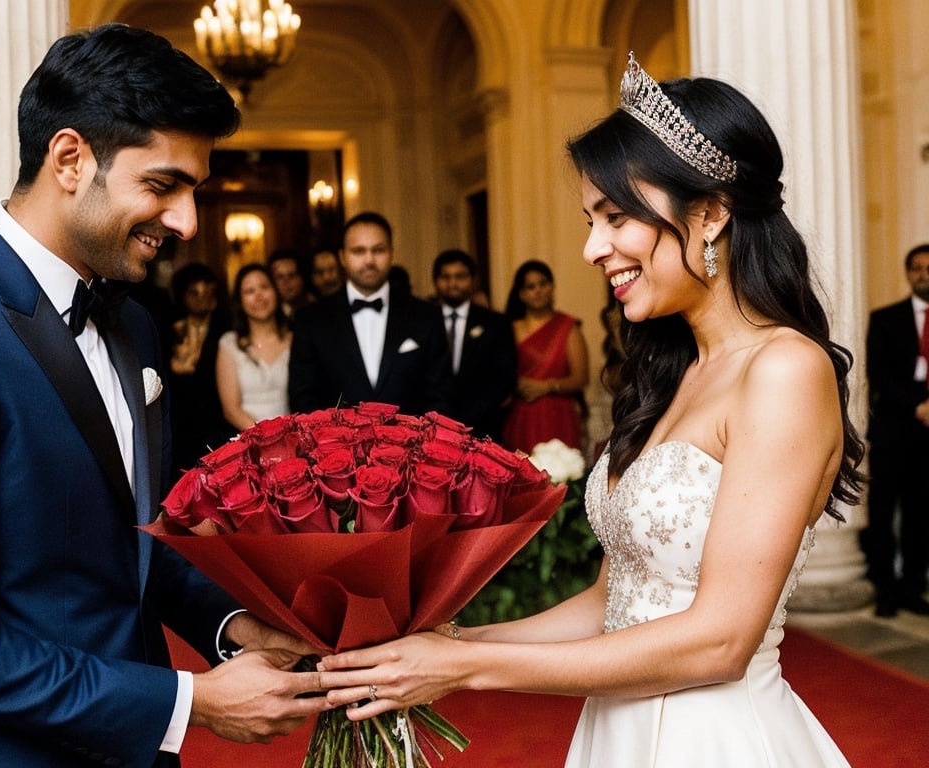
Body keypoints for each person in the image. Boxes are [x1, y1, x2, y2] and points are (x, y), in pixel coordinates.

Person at [317, 52, 865, 767]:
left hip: (718, 742)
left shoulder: (786, 369)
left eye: (615, 217)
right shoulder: (673, 375)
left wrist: (467, 671)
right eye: (589, 220)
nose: (591, 248)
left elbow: (721, 639)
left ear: (709, 213)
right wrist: (448, 647)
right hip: (619, 733)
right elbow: (609, 601)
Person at [0, 25, 327, 768]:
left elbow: (130, 540)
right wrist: (184, 702)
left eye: (193, 190)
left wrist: (233, 627)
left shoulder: (131, 320)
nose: (188, 222)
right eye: (163, 186)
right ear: (70, 159)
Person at [289, 212, 452, 415]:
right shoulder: (310, 320)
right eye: (358, 251)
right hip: (335, 445)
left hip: (411, 444)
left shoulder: (426, 315)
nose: (369, 260)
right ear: (342, 257)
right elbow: (303, 396)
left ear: (392, 253)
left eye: (378, 250)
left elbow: (439, 394)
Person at [862, 242, 929, 617]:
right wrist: (918, 405)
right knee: (884, 511)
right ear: (907, 274)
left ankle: (912, 587)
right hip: (894, 427)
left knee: (921, 513)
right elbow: (880, 375)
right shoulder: (886, 318)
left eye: (928, 269)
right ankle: (885, 589)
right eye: (916, 268)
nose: (923, 275)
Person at [501, 259, 590, 452]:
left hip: (558, 414)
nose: (538, 290)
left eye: (543, 284)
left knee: (561, 476)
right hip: (522, 415)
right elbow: (500, 374)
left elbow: (581, 378)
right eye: (531, 286)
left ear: (552, 288)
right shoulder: (510, 329)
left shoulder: (568, 327)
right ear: (521, 294)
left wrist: (546, 386)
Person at [431, 248, 517, 440]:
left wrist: (464, 420)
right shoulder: (421, 321)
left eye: (460, 276)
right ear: (435, 281)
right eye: (446, 277)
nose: (453, 283)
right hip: (431, 429)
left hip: (482, 428)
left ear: (473, 280)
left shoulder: (496, 323)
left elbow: (504, 379)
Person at [166, 261, 233, 478]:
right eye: (194, 292)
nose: (202, 297)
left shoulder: (227, 327)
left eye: (207, 291)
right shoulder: (171, 327)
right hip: (180, 425)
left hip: (217, 423)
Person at [217, 263, 293, 432]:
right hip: (250, 441)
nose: (259, 296)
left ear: (276, 292)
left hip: (294, 436)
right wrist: (268, 438)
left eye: (264, 287)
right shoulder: (229, 344)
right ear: (239, 301)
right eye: (250, 291)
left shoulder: (295, 340)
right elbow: (231, 411)